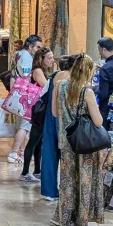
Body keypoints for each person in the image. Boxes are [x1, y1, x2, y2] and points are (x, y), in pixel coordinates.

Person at [52, 53, 106, 226]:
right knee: (84, 182)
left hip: (66, 141)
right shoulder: (87, 92)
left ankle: (63, 217)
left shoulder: (60, 86)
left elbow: (54, 112)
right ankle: (80, 220)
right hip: (85, 144)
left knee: (67, 181)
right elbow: (98, 122)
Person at [39, 55, 75, 202]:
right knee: (68, 155)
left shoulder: (53, 76)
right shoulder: (72, 79)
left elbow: (44, 95)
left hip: (50, 117)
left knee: (49, 153)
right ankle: (68, 189)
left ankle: (49, 191)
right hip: (66, 119)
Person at [20, 48, 55, 184]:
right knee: (33, 141)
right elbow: (47, 87)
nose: (52, 61)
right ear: (42, 59)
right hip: (38, 111)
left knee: (39, 142)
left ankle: (37, 171)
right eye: (49, 58)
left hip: (42, 111)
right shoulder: (38, 71)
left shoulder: (45, 71)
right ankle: (25, 172)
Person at [7, 35, 43, 164]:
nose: (38, 50)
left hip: (16, 92)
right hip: (25, 95)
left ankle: (21, 152)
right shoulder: (28, 58)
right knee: (25, 126)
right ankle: (13, 152)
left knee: (20, 125)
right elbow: (27, 78)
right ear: (30, 46)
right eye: (37, 47)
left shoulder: (18, 53)